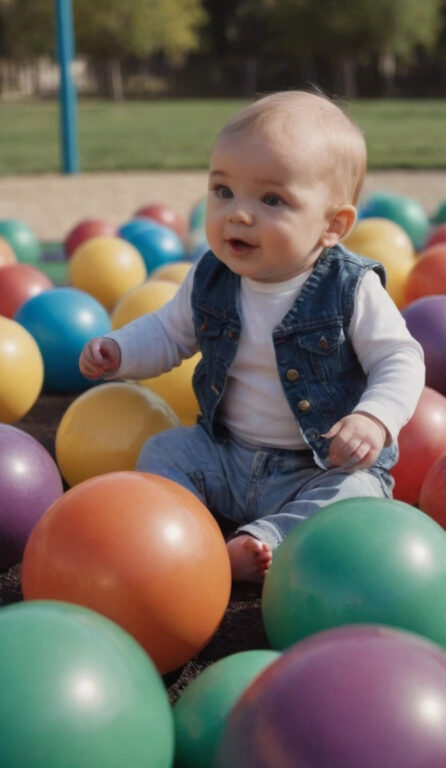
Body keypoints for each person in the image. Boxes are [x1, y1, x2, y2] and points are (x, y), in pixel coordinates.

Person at [79, 90, 425, 583]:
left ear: (333, 225)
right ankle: (180, 536)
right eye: (223, 191)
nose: (238, 214)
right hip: (225, 455)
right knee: (165, 452)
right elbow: (168, 332)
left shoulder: (350, 287)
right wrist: (120, 350)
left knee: (359, 497)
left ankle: (264, 540)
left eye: (271, 199)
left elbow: (401, 358)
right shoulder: (211, 275)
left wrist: (374, 418)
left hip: (317, 468)